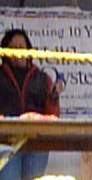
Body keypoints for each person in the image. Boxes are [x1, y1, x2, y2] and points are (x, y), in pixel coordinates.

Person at [0, 29, 60, 180]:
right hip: (6, 141)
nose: (19, 51)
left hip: (37, 143)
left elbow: (53, 115)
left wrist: (53, 97)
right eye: (13, 48)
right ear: (5, 52)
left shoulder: (42, 78)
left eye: (22, 47)